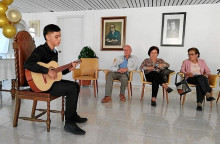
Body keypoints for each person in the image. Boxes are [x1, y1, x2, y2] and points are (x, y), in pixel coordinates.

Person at [24, 24, 87, 135]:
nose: (59, 39)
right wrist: (47, 71)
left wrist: (69, 69)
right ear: (48, 37)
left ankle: (73, 115)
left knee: (75, 85)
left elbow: (56, 72)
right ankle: (69, 124)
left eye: (60, 36)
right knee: (71, 89)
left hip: (49, 83)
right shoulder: (41, 50)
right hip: (40, 85)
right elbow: (28, 64)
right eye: (56, 36)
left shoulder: (54, 52)